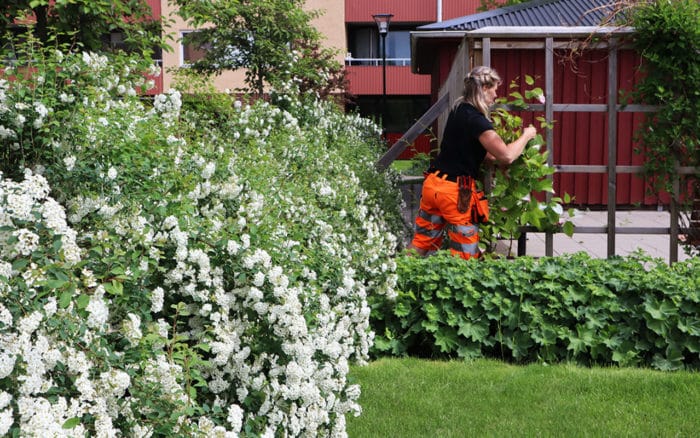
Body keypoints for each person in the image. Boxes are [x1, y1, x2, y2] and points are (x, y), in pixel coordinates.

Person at [408, 66, 536, 259]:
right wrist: (527, 135)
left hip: (433, 185)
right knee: (464, 255)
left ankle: (399, 278)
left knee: (422, 242)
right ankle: (459, 288)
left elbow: (471, 150)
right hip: (454, 193)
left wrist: (494, 159)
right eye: (494, 89)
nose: (496, 95)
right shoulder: (478, 121)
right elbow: (507, 156)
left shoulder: (458, 110)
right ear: (484, 88)